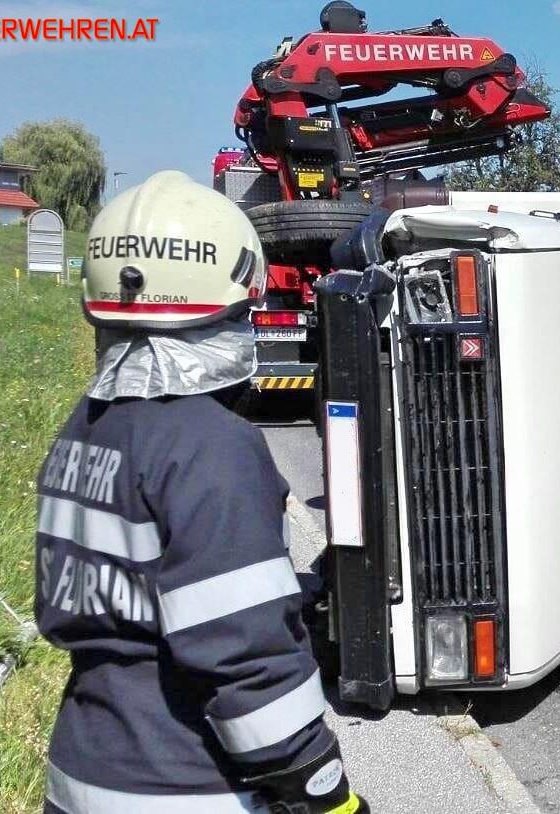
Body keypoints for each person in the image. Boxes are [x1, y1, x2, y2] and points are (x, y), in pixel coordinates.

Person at [34, 171, 367, 814]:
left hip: (81, 771)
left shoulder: (84, 427)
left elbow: (131, 594)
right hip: (185, 786)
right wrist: (322, 789)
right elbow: (244, 655)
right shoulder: (212, 444)